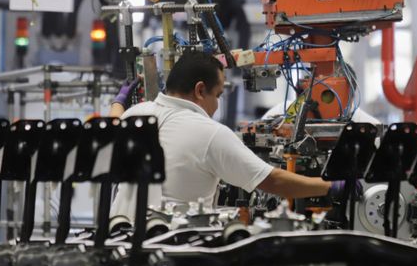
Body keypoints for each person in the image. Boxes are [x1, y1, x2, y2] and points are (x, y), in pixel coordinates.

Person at [110, 54, 348, 220]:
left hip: (118, 241)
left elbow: (114, 123)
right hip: (170, 252)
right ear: (200, 90)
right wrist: (331, 186)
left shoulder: (135, 115)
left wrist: (117, 101)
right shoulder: (209, 133)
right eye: (219, 94)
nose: (217, 105)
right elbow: (273, 181)